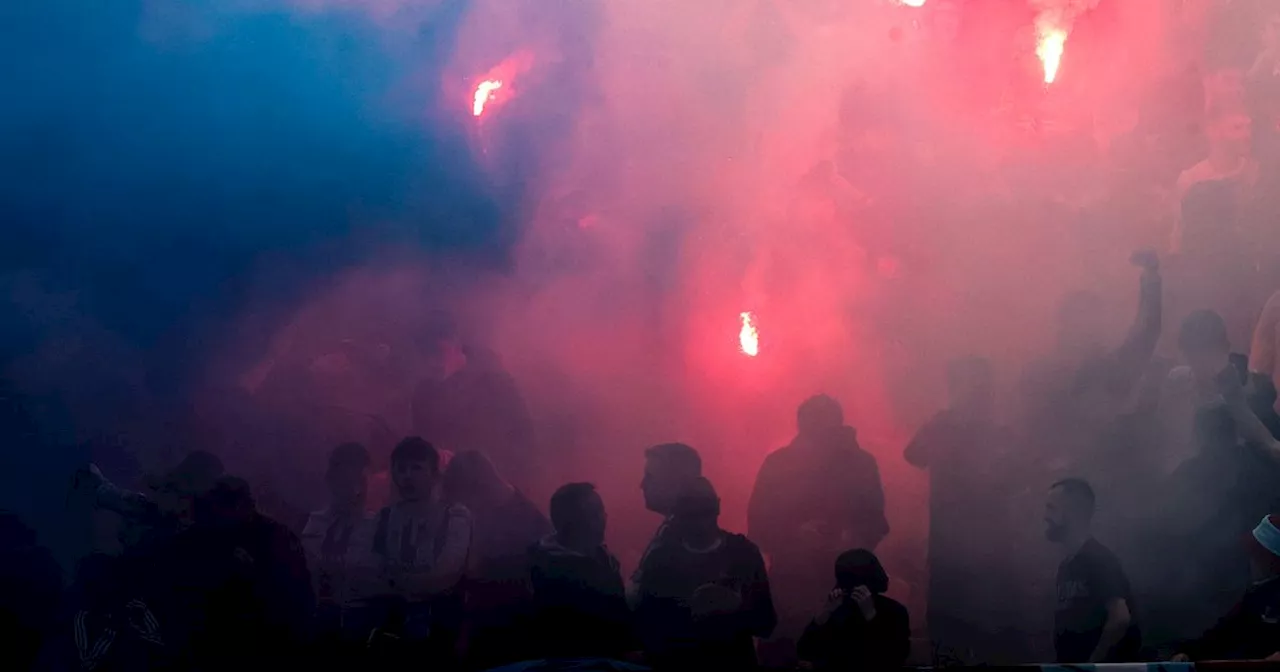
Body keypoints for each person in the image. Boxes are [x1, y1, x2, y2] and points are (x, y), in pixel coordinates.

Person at [747, 395, 888, 650]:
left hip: (845, 585)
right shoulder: (779, 464)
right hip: (792, 583)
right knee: (787, 651)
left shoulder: (862, 465)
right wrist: (795, 535)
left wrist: (851, 539)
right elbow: (758, 524)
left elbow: (876, 523)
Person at [904, 357, 1019, 662]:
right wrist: (943, 422)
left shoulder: (999, 432)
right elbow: (913, 454)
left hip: (991, 553)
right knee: (947, 634)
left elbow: (1016, 479)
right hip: (950, 550)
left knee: (987, 635)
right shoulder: (944, 425)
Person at [635, 477, 776, 670]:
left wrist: (737, 607)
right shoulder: (661, 559)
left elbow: (766, 623)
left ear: (717, 506)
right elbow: (644, 627)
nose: (699, 520)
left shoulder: (744, 553)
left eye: (703, 509)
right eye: (690, 511)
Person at [368, 437, 472, 669]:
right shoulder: (384, 517)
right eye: (401, 469)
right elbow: (372, 570)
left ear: (435, 474)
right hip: (392, 630)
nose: (408, 476)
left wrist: (401, 583)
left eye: (416, 468)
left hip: (442, 631)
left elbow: (447, 571)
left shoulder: (455, 515)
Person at [443, 450, 550, 668]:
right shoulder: (522, 515)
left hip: (510, 635)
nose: (459, 505)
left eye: (461, 496)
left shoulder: (527, 525)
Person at [410, 318, 536, 489]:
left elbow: (521, 434)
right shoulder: (423, 392)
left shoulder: (495, 382)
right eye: (426, 354)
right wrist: (434, 455)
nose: (432, 361)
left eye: (439, 351)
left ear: (456, 344)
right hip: (444, 487)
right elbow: (420, 438)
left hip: (495, 484)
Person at [525, 482, 633, 661]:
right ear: (571, 521)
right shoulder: (551, 573)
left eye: (601, 511)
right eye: (595, 513)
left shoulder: (602, 558)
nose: (604, 517)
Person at [1045, 478, 1141, 663]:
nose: (1045, 516)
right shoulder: (1066, 566)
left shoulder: (1099, 559)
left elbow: (1120, 618)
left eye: (1051, 508)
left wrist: (1092, 665)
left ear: (1072, 512)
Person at [300, 442, 378, 661]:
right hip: (314, 630)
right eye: (347, 481)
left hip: (361, 632)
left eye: (361, 481)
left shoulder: (380, 528)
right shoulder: (309, 523)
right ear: (331, 480)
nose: (356, 490)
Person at [1174, 514, 1280, 661]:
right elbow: (1225, 632)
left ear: (1271, 558)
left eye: (1258, 553)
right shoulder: (1257, 596)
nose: (1252, 559)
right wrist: (1189, 653)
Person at [797, 549, 910, 671]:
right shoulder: (836, 608)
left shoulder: (894, 611)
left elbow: (895, 657)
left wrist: (871, 616)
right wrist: (825, 614)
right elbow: (805, 652)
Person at [631, 442, 703, 598]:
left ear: (676, 482)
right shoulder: (673, 529)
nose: (642, 485)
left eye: (650, 477)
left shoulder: (685, 541)